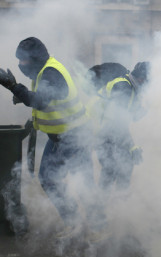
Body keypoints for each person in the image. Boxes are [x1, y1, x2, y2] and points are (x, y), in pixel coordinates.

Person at [0, 37, 104, 240]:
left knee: (83, 183)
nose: (20, 65)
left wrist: (13, 86)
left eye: (23, 61)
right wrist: (21, 95)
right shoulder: (43, 70)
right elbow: (43, 98)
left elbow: (39, 101)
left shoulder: (51, 73)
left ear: (35, 59)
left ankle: (99, 228)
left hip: (74, 136)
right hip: (59, 138)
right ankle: (74, 222)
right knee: (49, 179)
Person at [91, 61, 150, 194]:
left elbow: (133, 116)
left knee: (126, 165)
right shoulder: (123, 88)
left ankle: (119, 204)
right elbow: (118, 123)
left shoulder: (132, 87)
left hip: (111, 131)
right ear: (142, 79)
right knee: (110, 168)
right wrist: (132, 146)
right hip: (101, 131)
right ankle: (99, 204)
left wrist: (148, 109)